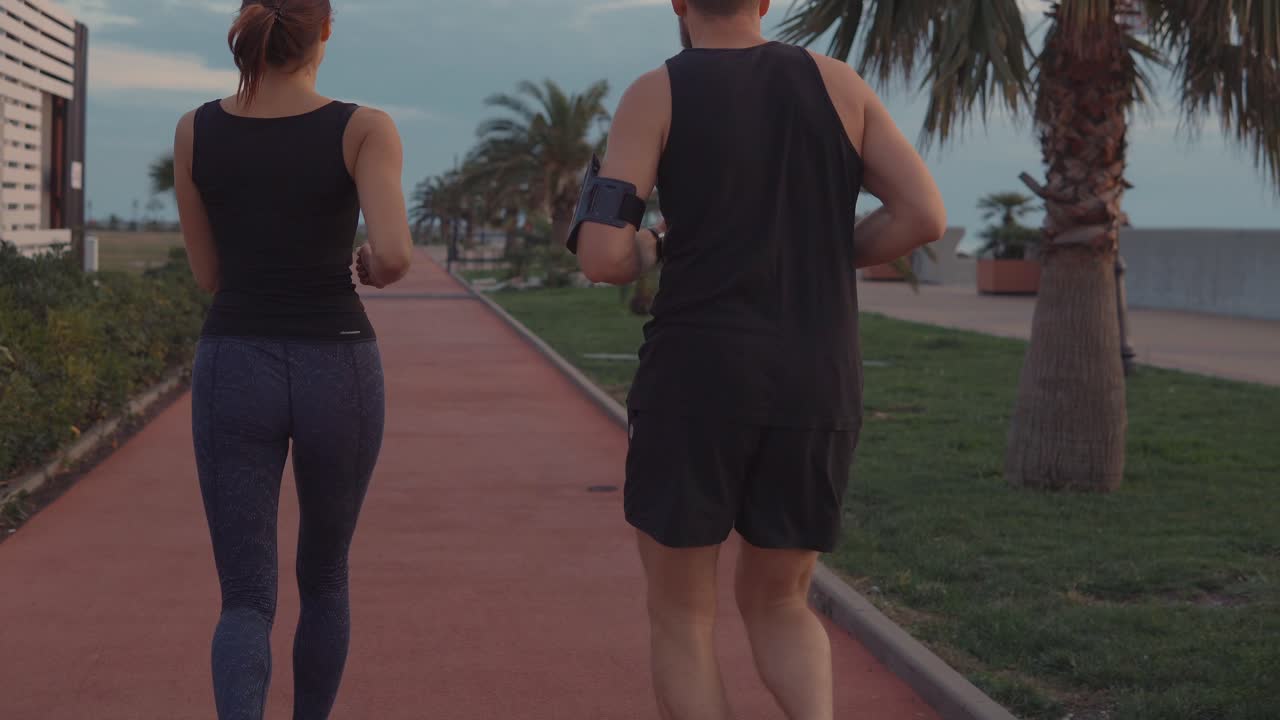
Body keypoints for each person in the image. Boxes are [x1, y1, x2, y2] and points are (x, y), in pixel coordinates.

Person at [570, 1, 946, 718]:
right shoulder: (840, 84)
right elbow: (923, 215)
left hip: (696, 377)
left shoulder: (659, 90)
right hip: (816, 377)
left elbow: (603, 256)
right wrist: (831, 254)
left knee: (683, 614)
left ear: (680, 3)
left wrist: (654, 244)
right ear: (766, 0)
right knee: (782, 603)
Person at [172, 1, 413, 717]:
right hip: (337, 366)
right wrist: (370, 264)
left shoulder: (195, 131)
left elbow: (209, 275)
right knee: (326, 577)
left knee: (245, 598)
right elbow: (395, 254)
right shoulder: (364, 128)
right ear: (325, 32)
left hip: (234, 362)